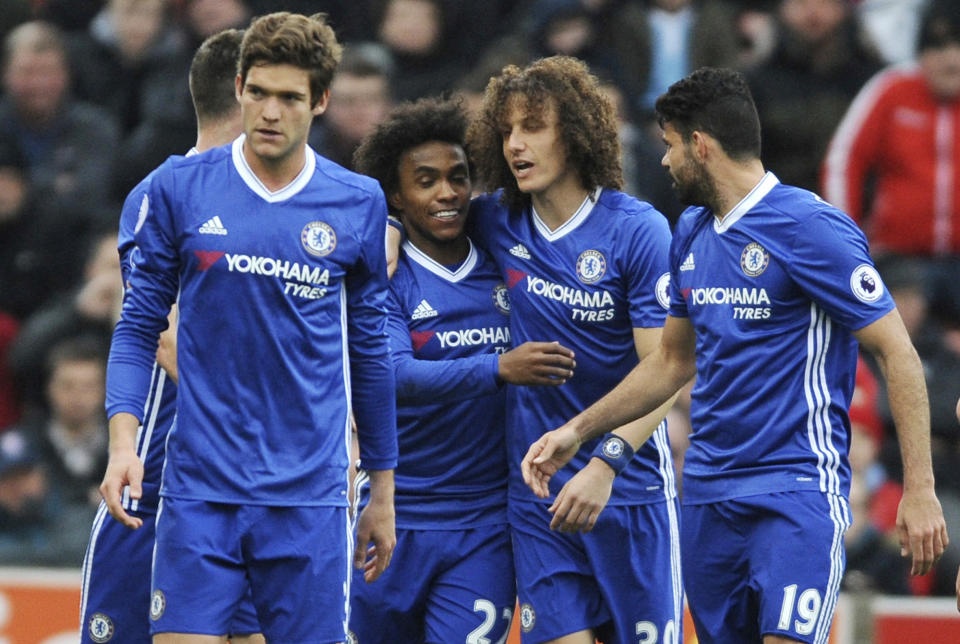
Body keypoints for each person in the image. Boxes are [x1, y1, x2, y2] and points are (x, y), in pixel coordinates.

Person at [522, 66, 948, 644]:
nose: (665, 162)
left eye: (670, 147)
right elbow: (672, 363)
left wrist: (919, 489)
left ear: (701, 146)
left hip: (794, 491)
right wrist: (581, 430)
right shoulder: (692, 231)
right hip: (707, 496)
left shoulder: (811, 227)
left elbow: (896, 351)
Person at [101, 12, 397, 644]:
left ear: (319, 102)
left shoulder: (358, 201)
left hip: (309, 498)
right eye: (258, 92)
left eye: (290, 97)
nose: (270, 111)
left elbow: (369, 353)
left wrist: (383, 488)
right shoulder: (181, 187)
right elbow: (136, 328)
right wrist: (123, 443)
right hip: (199, 492)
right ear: (237, 88)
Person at [465, 55, 682, 644]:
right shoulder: (496, 221)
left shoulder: (636, 231)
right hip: (537, 497)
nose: (515, 144)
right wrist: (390, 230)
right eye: (506, 129)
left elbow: (667, 372)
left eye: (533, 126)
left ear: (577, 133)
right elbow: (418, 210)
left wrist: (605, 462)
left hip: (627, 490)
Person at [347, 96, 576, 643]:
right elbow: (393, 377)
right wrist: (497, 367)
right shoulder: (384, 274)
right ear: (396, 195)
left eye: (457, 178)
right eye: (425, 182)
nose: (446, 194)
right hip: (393, 515)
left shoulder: (501, 254)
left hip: (485, 525)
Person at [80, 29, 265, 644]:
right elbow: (165, 335)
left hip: (256, 484)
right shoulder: (164, 193)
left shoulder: (289, 204)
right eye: (277, 95)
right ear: (246, 96)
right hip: (160, 478)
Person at [822, 0, 960, 319]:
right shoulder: (892, 90)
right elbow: (845, 160)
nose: (951, 59)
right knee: (901, 317)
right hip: (900, 258)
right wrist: (847, 245)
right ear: (920, 52)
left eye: (958, 46)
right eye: (937, 47)